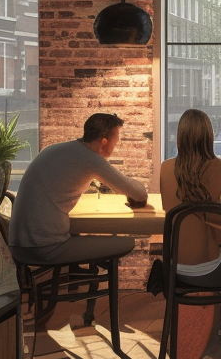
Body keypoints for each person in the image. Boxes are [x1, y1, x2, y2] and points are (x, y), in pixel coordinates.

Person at [9, 112, 150, 267]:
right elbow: (139, 193)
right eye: (116, 142)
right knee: (126, 243)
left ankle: (89, 272)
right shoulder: (91, 159)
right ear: (104, 142)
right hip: (42, 248)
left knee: (84, 238)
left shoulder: (56, 149)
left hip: (19, 243)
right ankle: (99, 277)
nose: (115, 146)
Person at [156, 109, 221, 288]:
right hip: (209, 268)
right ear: (209, 136)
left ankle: (220, 314)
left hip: (173, 269)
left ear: (180, 135)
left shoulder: (165, 167)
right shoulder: (219, 166)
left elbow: (171, 205)